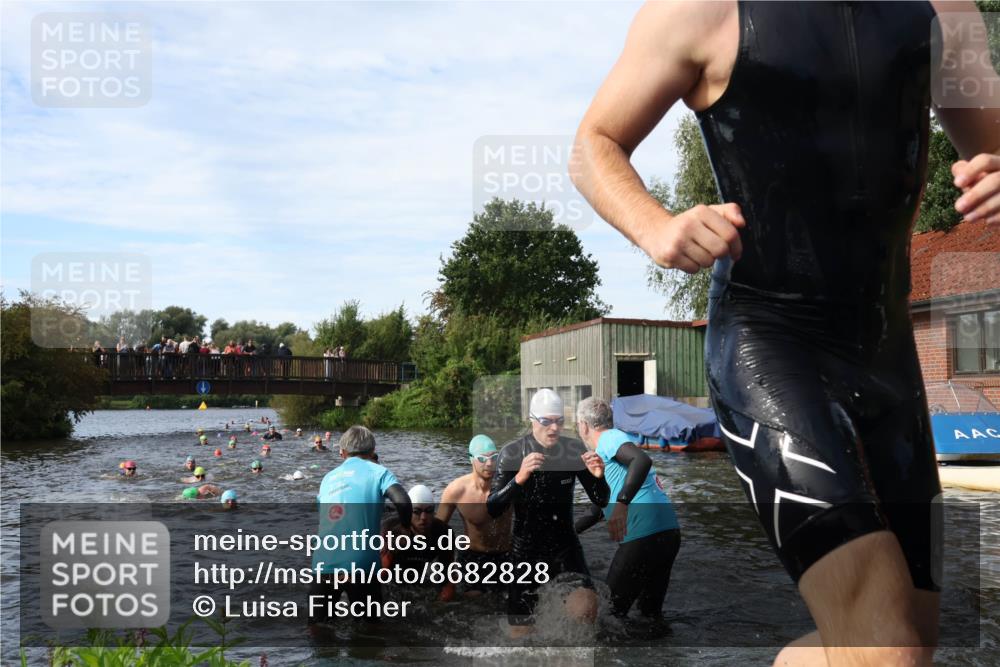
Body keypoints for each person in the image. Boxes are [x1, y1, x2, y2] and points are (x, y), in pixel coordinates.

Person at [570, 3, 1000, 662]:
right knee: (886, 646)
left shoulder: (944, 10)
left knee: (912, 639)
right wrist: (657, 227)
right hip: (768, 345)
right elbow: (594, 144)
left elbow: (992, 146)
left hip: (887, 356)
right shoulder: (700, 11)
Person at [487, 388, 609, 636]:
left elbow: (602, 500)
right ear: (532, 420)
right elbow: (493, 508)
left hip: (564, 546)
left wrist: (599, 478)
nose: (554, 428)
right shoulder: (511, 453)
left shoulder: (574, 450)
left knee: (586, 608)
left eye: (559, 421)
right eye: (546, 422)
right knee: (521, 633)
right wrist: (519, 479)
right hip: (525, 550)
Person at [574, 397, 681, 619]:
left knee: (608, 614)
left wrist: (622, 503)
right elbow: (598, 510)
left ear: (583, 425)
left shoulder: (610, 438)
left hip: (645, 532)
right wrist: (569, 532)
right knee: (649, 614)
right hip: (668, 530)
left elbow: (641, 460)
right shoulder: (606, 453)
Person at [309, 425, 412, 627]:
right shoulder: (379, 472)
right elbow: (403, 501)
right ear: (372, 451)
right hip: (361, 563)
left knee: (318, 627)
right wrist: (405, 527)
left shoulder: (327, 478)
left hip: (323, 562)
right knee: (369, 628)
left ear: (342, 452)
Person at [437, 434, 512, 596]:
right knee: (474, 602)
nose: (490, 463)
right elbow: (437, 529)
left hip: (506, 555)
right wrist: (447, 571)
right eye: (482, 459)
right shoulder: (456, 490)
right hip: (473, 557)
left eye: (494, 457)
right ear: (471, 459)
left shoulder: (509, 486)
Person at [382, 484, 456, 601]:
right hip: (391, 578)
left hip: (418, 577)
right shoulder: (393, 531)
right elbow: (379, 575)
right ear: (408, 512)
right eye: (417, 511)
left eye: (429, 511)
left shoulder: (443, 532)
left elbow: (448, 576)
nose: (423, 517)